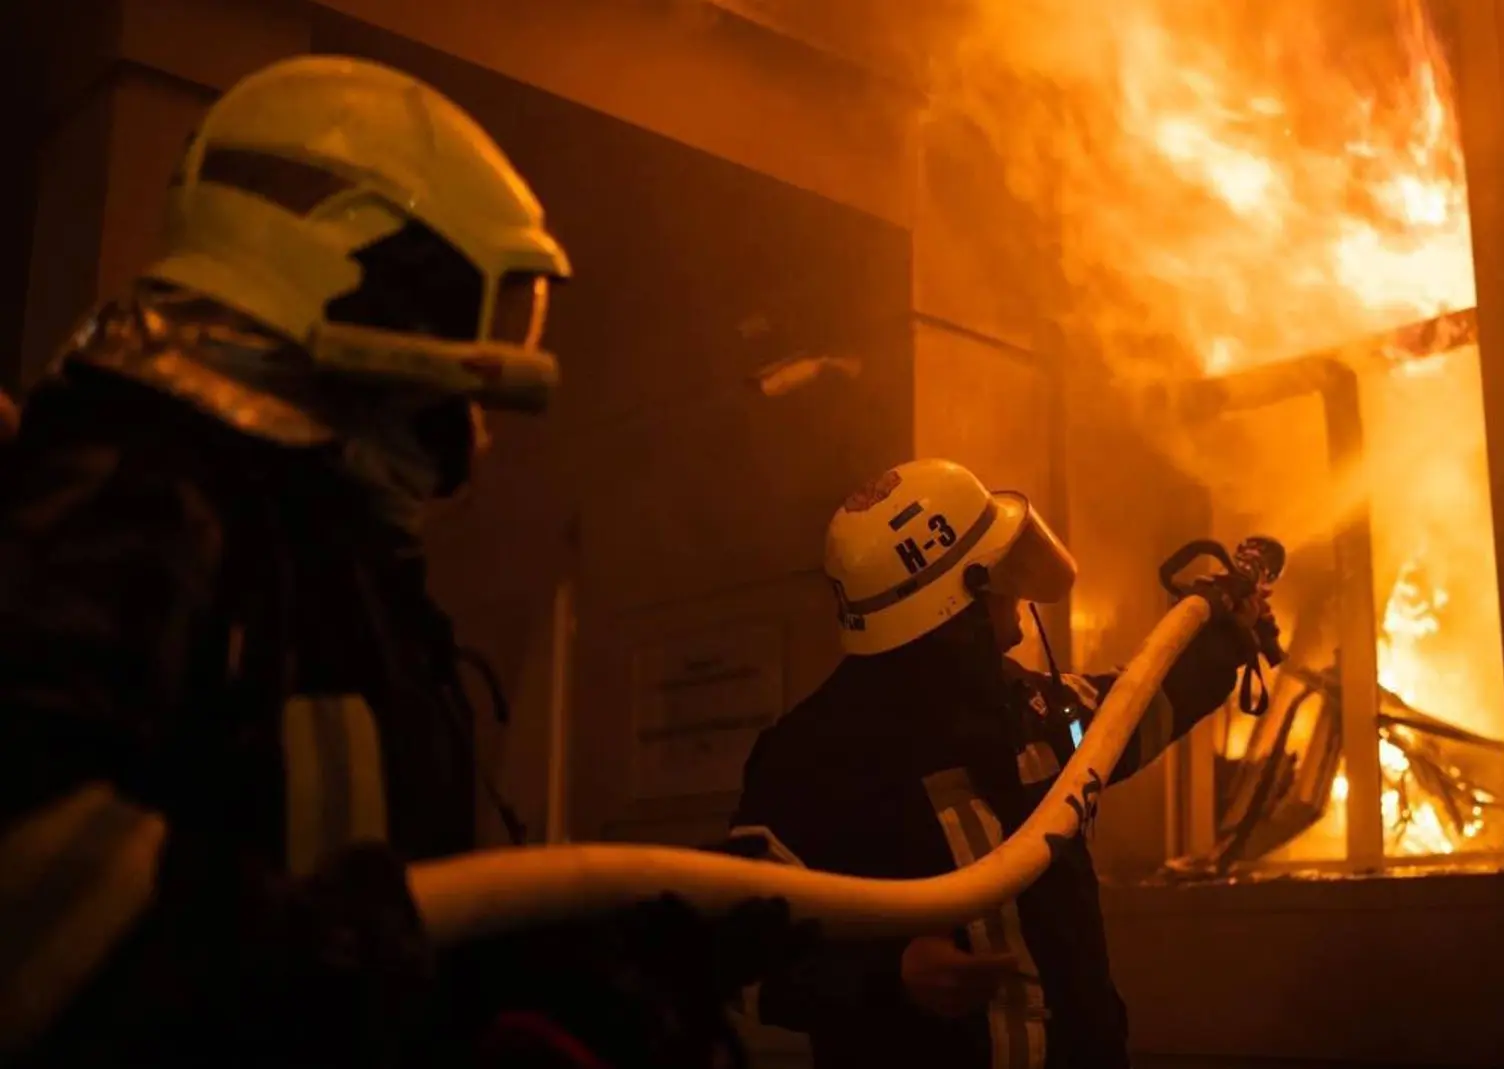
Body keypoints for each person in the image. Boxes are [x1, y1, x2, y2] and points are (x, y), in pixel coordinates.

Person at [0, 55, 770, 1069]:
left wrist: (630, 946)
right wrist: (349, 955)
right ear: (353, 278)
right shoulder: (133, 503)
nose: (471, 436)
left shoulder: (319, 565)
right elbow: (42, 919)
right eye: (465, 340)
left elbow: (416, 896)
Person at [728, 458, 1274, 1069]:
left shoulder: (1027, 708)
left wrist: (1228, 637)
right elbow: (737, 951)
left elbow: (1132, 711)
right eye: (1000, 576)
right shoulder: (808, 762)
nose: (1016, 592)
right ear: (957, 602)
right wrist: (889, 974)